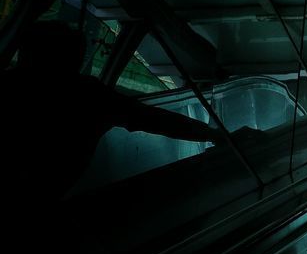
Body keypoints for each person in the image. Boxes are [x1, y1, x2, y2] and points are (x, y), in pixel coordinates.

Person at [0, 21, 230, 204]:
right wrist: (216, 136)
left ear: (26, 54)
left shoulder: (11, 88)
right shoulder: (88, 96)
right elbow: (155, 120)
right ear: (73, 60)